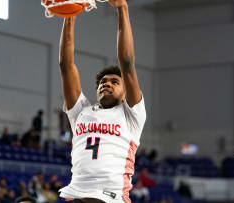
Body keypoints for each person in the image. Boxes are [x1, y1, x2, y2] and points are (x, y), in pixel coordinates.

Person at [57, 0, 146, 202]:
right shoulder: (81, 111)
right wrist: (70, 12)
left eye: (115, 82)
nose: (106, 84)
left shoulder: (131, 114)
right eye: (103, 82)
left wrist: (122, 8)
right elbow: (65, 65)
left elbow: (127, 62)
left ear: (125, 92)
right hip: (78, 195)